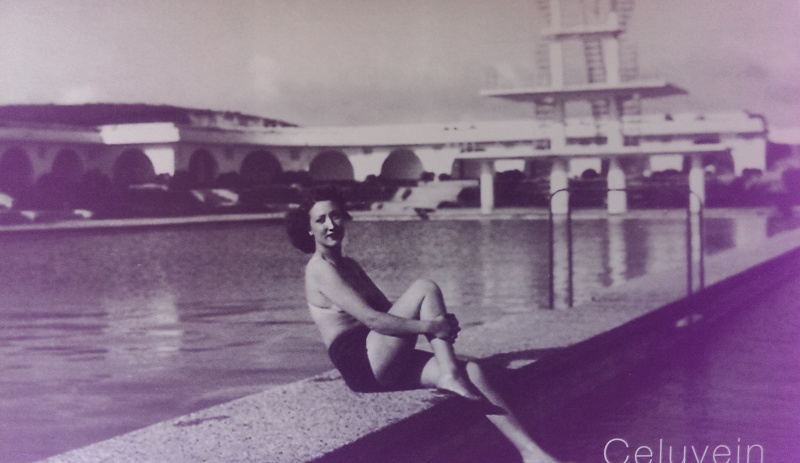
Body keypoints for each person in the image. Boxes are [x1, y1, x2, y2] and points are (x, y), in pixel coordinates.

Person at [286, 187, 560, 463]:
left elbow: (387, 310)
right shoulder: (319, 269)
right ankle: (449, 375)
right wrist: (430, 328)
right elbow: (373, 319)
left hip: (378, 352)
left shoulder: (350, 265)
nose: (331, 225)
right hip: (359, 361)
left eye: (335, 216)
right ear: (309, 229)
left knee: (473, 371)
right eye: (321, 220)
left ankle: (532, 454)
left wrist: (434, 323)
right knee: (425, 287)